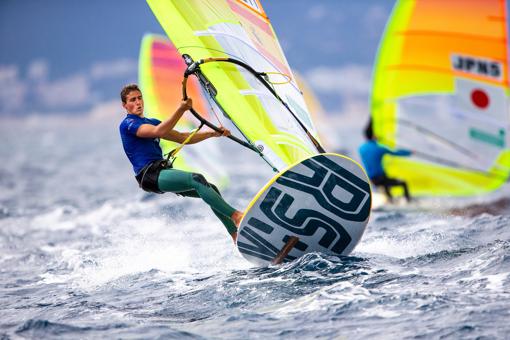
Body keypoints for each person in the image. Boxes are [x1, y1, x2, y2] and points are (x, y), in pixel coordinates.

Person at [119, 83, 243, 242]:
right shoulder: (127, 125)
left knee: (211, 188)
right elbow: (159, 132)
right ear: (125, 105)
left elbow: (182, 138)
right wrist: (181, 109)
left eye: (139, 98)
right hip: (149, 176)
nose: (137, 102)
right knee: (196, 179)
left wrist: (212, 133)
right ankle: (236, 215)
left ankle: (235, 235)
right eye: (132, 100)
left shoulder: (153, 122)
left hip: (161, 172)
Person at [358, 121, 412, 203]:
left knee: (386, 183)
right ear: (373, 135)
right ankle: (409, 202)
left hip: (371, 179)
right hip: (381, 178)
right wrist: (409, 152)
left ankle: (391, 201)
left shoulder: (361, 148)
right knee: (403, 183)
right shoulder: (379, 148)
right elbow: (395, 152)